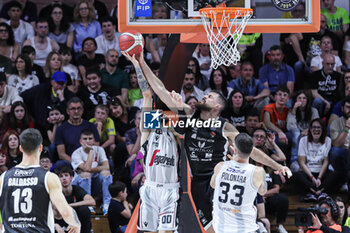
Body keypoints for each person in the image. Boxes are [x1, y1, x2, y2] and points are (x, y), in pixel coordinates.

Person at [130, 51, 291, 233]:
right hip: (197, 185)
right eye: (205, 95)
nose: (204, 97)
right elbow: (160, 90)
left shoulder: (225, 127)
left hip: (219, 181)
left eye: (210, 97)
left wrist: (276, 164)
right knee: (210, 230)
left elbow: (250, 150)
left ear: (217, 107)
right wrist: (142, 62)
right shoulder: (188, 116)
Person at [123, 51, 180, 233]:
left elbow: (179, 117)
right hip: (151, 189)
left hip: (171, 190)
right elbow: (147, 94)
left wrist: (174, 109)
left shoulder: (176, 133)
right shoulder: (148, 132)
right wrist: (137, 65)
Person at [0, 128, 81, 232]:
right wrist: (76, 223)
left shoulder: (4, 177)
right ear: (40, 148)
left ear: (20, 148)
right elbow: (65, 211)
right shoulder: (48, 177)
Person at [210, 133, 267, 233]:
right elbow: (263, 192)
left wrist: (233, 164)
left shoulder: (220, 166)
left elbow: (213, 185)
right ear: (252, 151)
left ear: (235, 150)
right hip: (245, 228)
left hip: (221, 228)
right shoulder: (258, 172)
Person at [295, 118, 339, 202]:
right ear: (310, 129)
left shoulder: (328, 140)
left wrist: (319, 178)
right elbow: (301, 162)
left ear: (323, 130)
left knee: (335, 175)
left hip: (321, 173)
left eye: (319, 127)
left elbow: (326, 161)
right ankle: (319, 192)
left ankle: (314, 192)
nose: (316, 130)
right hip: (308, 173)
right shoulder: (303, 140)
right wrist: (312, 177)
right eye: (314, 127)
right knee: (297, 175)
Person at [71, 128, 112, 215]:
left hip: (95, 182)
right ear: (80, 141)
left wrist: (91, 170)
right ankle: (88, 203)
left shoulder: (99, 149)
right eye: (85, 139)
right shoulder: (76, 153)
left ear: (94, 140)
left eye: (90, 138)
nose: (88, 141)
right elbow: (86, 169)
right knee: (86, 174)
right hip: (79, 184)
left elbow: (106, 166)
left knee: (106, 173)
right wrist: (91, 152)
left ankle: (107, 204)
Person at [21, 71, 75, 136]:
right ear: (52, 82)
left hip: (63, 129)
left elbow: (72, 114)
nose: (60, 86)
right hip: (42, 127)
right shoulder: (41, 89)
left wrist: (62, 99)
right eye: (58, 83)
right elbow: (23, 96)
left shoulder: (70, 96)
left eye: (63, 83)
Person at [55, 97, 100, 162]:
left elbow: (96, 148)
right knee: (60, 164)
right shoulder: (61, 129)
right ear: (68, 111)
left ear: (82, 110)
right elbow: (61, 154)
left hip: (89, 160)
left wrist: (87, 163)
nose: (76, 111)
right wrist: (77, 164)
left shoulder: (91, 126)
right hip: (71, 161)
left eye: (79, 108)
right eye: (73, 109)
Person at [56, 165, 95, 233]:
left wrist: (71, 205)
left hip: (78, 219)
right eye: (61, 176)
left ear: (71, 177)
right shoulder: (56, 192)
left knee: (84, 209)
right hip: (63, 219)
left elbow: (92, 201)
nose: (64, 178)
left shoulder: (77, 189)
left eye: (66, 175)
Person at [286, 90, 319, 170]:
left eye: (304, 98)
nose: (302, 100)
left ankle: (309, 162)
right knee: (296, 133)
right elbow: (289, 127)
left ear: (307, 100)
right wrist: (294, 109)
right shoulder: (291, 111)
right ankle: (294, 161)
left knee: (306, 136)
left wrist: (309, 130)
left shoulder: (313, 111)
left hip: (307, 133)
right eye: (299, 98)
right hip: (294, 134)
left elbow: (317, 125)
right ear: (296, 100)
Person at [310, 53, 342, 117]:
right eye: (328, 64)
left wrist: (331, 103)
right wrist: (326, 102)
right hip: (321, 100)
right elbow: (314, 93)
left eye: (332, 64)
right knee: (317, 101)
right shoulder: (315, 75)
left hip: (334, 100)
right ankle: (317, 120)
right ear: (322, 63)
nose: (330, 66)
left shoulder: (339, 76)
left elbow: (340, 92)